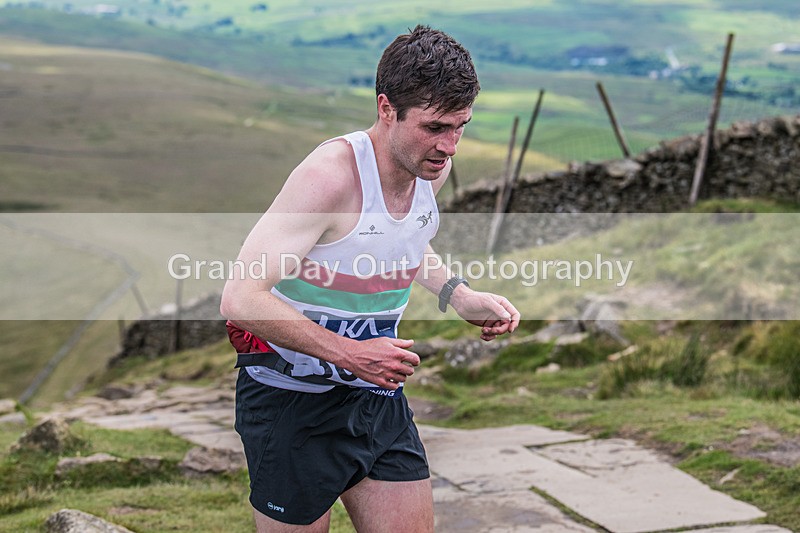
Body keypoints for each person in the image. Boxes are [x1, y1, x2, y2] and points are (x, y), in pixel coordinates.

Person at [220, 25, 520, 532]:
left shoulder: (429, 167)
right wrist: (349, 353)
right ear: (386, 108)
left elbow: (402, 240)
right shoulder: (329, 177)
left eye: (460, 126)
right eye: (435, 127)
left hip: (376, 395)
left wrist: (459, 295)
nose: (449, 146)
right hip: (291, 402)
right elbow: (241, 297)